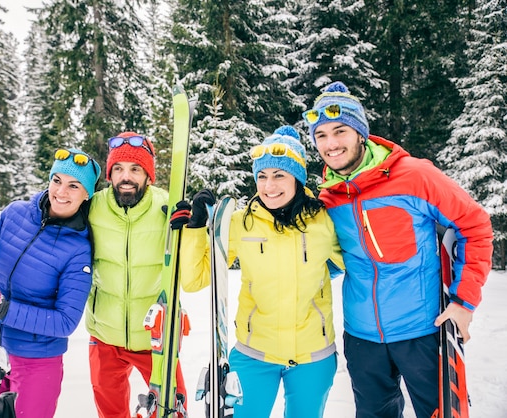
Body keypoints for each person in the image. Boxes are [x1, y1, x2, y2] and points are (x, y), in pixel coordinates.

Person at [303, 81, 494, 418]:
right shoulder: (328, 198)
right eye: (321, 136)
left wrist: (464, 302)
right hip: (362, 338)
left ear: (360, 133)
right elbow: (325, 259)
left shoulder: (415, 177)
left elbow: (474, 225)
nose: (331, 144)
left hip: (424, 331)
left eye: (340, 131)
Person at [175, 125, 345, 417]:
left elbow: (356, 262)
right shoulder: (241, 224)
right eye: (262, 177)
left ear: (298, 178)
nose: (269, 186)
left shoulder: (324, 221)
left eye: (279, 175)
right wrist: (195, 230)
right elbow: (193, 280)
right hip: (254, 355)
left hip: (313, 356)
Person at [0, 148, 100, 418]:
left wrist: (3, 308)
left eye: (74, 186)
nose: (61, 192)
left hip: (37, 361)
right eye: (57, 180)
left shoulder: (78, 250)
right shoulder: (15, 213)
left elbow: (65, 322)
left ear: (87, 194)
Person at [84, 131, 187, 418]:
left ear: (148, 175)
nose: (125, 177)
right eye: (118, 169)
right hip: (104, 334)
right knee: (110, 412)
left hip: (154, 337)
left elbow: (190, 261)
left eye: (135, 169)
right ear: (109, 174)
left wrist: (194, 224)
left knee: (174, 408)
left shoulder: (166, 208)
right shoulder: (93, 207)